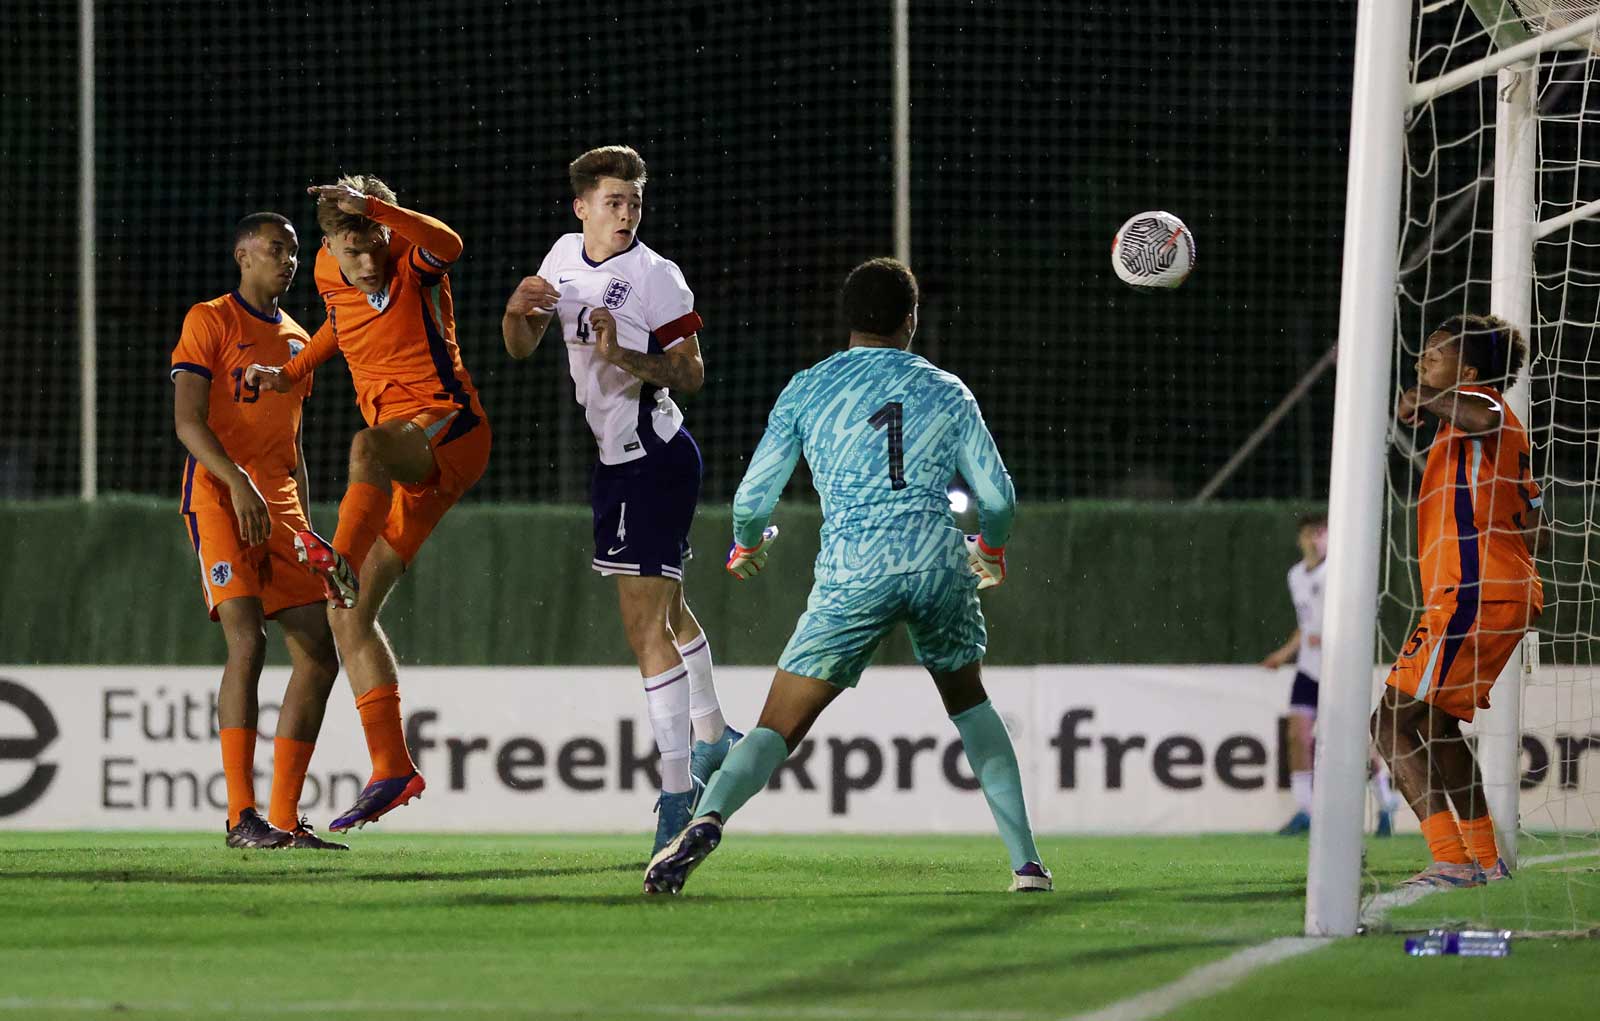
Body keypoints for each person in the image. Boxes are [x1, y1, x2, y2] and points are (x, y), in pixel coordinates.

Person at [644, 257, 1049, 896]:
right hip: (935, 563)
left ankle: (704, 821)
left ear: (848, 320)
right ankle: (1026, 863)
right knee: (970, 704)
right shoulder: (947, 390)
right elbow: (998, 500)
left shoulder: (808, 388)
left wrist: (747, 546)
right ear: (911, 319)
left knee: (778, 726)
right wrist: (990, 552)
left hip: (853, 571)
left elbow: (751, 501)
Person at [502, 146, 738, 855]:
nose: (626, 212)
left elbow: (692, 374)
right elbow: (520, 347)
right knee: (665, 611)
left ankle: (675, 793)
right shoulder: (562, 257)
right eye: (613, 200)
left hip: (654, 457)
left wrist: (624, 356)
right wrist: (517, 312)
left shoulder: (656, 276)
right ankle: (716, 733)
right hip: (616, 462)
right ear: (580, 207)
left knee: (643, 631)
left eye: (634, 200)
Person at [246, 177, 491, 832]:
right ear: (332, 246)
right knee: (346, 615)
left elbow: (451, 241)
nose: (367, 258)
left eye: (374, 241)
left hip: (450, 432)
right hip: (412, 468)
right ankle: (392, 765)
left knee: (365, 449)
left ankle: (337, 555)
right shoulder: (329, 268)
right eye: (353, 247)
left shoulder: (413, 257)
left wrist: (381, 212)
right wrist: (290, 372)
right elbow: (337, 325)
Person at [170, 212, 344, 850]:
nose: (288, 261)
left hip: (281, 510)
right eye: (275, 249)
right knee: (247, 643)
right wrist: (238, 483)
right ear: (243, 253)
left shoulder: (300, 339)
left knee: (321, 654)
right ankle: (240, 817)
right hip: (219, 498)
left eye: (294, 252)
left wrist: (307, 525)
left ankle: (283, 818)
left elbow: (291, 440)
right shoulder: (209, 319)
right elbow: (189, 421)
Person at [1371, 314, 1543, 888]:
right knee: (1438, 728)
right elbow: (1538, 522)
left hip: (1474, 595)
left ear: (1468, 372)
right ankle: (1484, 858)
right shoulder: (1474, 434)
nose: (1422, 361)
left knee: (1389, 724)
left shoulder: (1484, 407)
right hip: (1491, 592)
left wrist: (1430, 398)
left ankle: (1450, 860)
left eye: (1434, 354)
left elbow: (1480, 413)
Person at [1260, 513, 1399, 835]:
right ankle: (1307, 809)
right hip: (1309, 667)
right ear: (1301, 539)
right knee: (1297, 735)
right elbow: (1306, 624)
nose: (1316, 540)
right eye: (1311, 534)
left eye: (1322, 533)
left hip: (1339, 668)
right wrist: (1284, 654)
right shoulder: (1295, 575)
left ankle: (1385, 801)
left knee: (1351, 744)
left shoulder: (1338, 572)